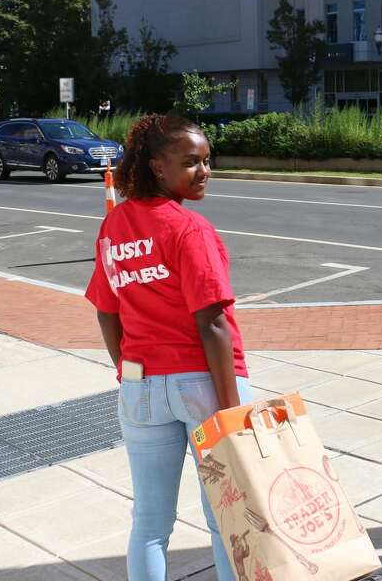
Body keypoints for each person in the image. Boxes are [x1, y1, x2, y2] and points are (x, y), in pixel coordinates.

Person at [85, 113, 250, 581]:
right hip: (203, 384)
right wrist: (231, 414)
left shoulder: (115, 225)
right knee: (226, 516)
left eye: (206, 161)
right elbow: (212, 322)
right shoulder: (189, 228)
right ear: (157, 166)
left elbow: (105, 308)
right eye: (190, 162)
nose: (204, 171)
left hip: (141, 388)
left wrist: (130, 370)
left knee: (151, 523)